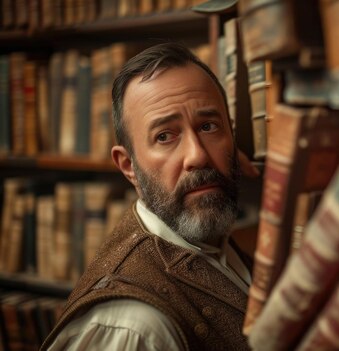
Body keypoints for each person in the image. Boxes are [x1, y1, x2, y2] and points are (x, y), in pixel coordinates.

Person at [42, 42, 259, 350]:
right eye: (164, 136)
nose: (197, 156)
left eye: (209, 126)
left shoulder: (215, 243)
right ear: (129, 167)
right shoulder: (135, 329)